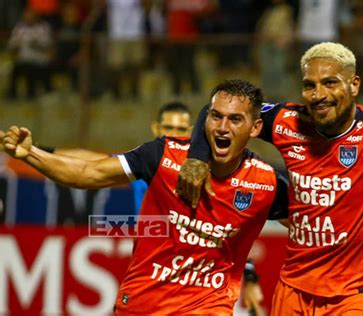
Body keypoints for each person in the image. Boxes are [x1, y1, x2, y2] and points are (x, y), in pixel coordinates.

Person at [177, 42, 363, 315]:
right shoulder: (286, 122)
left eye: (330, 83)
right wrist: (197, 158)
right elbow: (215, 110)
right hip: (294, 289)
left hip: (358, 292)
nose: (319, 95)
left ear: (354, 84)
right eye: (310, 85)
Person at [3, 79, 290, 314]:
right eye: (216, 116)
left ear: (255, 128)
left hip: (207, 307)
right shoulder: (162, 154)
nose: (223, 127)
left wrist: (251, 274)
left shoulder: (266, 183)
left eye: (235, 119)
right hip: (142, 303)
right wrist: (31, 153)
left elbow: (310, 226)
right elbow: (88, 170)